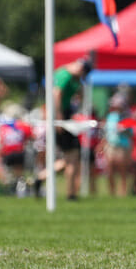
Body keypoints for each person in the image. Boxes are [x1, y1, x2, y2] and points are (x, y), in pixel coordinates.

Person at [52, 58, 92, 200]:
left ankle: (40, 178)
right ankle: (71, 194)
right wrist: (59, 118)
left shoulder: (68, 76)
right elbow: (56, 94)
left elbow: (76, 92)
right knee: (72, 157)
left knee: (70, 157)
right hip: (60, 118)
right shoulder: (65, 75)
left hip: (63, 117)